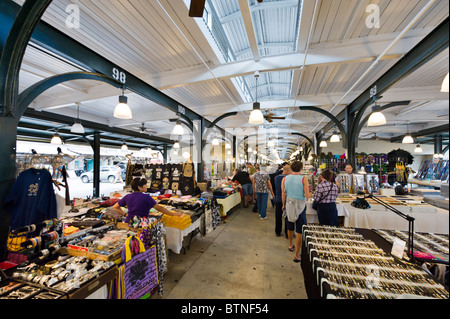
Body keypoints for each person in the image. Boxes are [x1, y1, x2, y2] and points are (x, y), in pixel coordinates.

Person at [113, 177, 184, 223]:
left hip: (128, 222)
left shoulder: (127, 196)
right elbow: (159, 208)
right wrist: (173, 214)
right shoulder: (146, 197)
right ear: (139, 187)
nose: (147, 186)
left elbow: (115, 207)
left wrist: (125, 214)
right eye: (145, 184)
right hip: (141, 224)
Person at [282, 161, 311, 263]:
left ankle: (290, 245)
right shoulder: (304, 179)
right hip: (300, 206)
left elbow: (283, 194)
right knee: (299, 230)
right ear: (301, 169)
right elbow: (307, 195)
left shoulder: (285, 179)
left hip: (289, 204)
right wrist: (311, 193)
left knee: (289, 225)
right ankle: (297, 255)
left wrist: (283, 205)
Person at [274, 163, 292, 237]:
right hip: (288, 199)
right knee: (288, 217)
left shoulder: (277, 178)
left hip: (278, 198)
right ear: (287, 171)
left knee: (278, 216)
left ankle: (278, 231)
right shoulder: (289, 178)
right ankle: (287, 233)